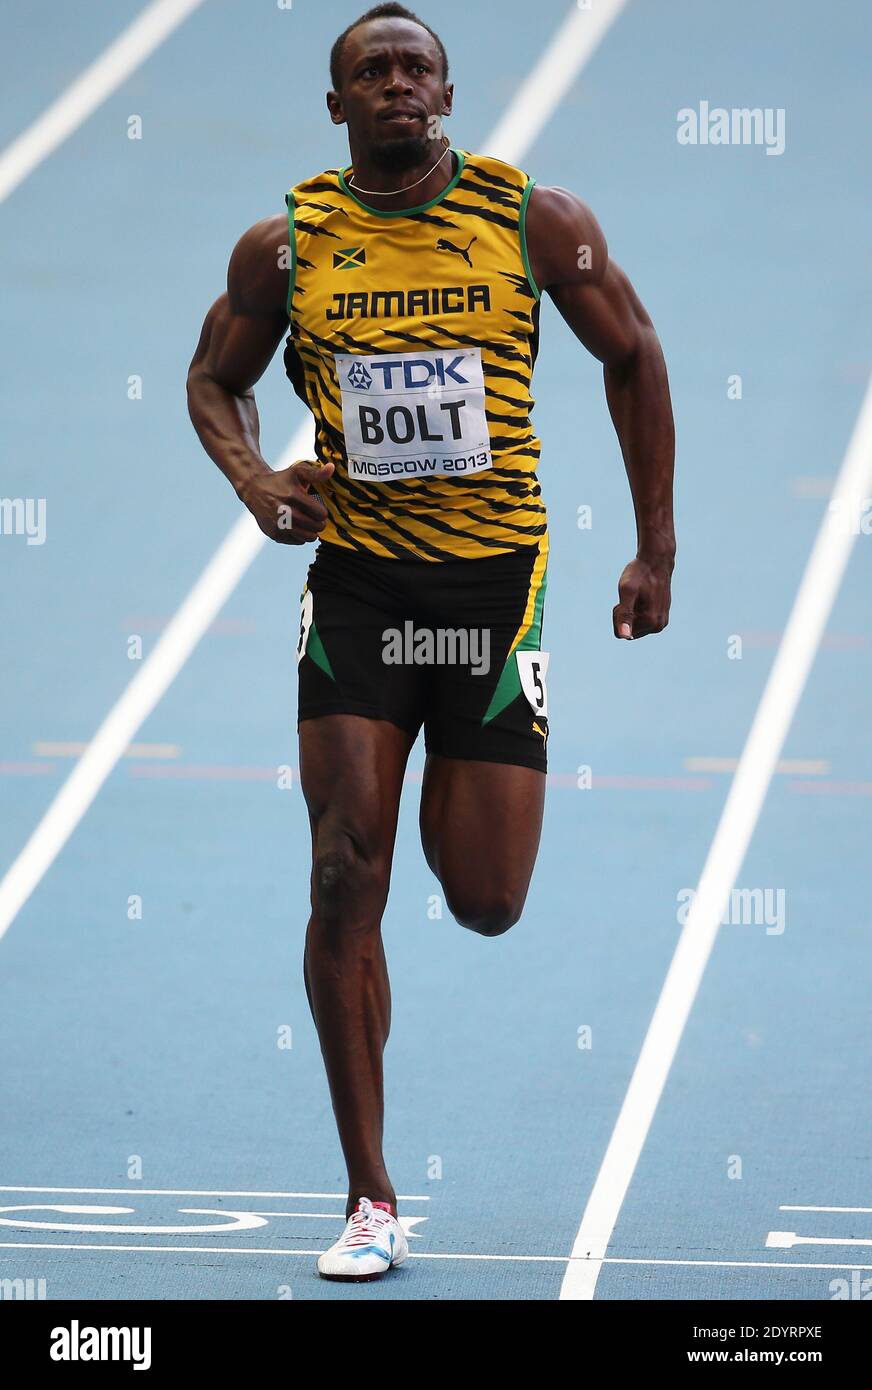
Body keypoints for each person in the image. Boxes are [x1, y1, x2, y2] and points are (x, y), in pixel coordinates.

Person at [186, 2, 675, 1282]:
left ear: (446, 95)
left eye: (416, 67)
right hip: (356, 590)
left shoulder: (532, 222)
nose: (397, 84)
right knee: (345, 873)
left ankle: (459, 776)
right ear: (335, 105)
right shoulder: (285, 247)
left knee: (484, 900)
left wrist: (652, 547)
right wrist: (254, 484)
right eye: (371, 71)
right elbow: (210, 379)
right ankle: (368, 1195)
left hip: (491, 593)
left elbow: (631, 355)